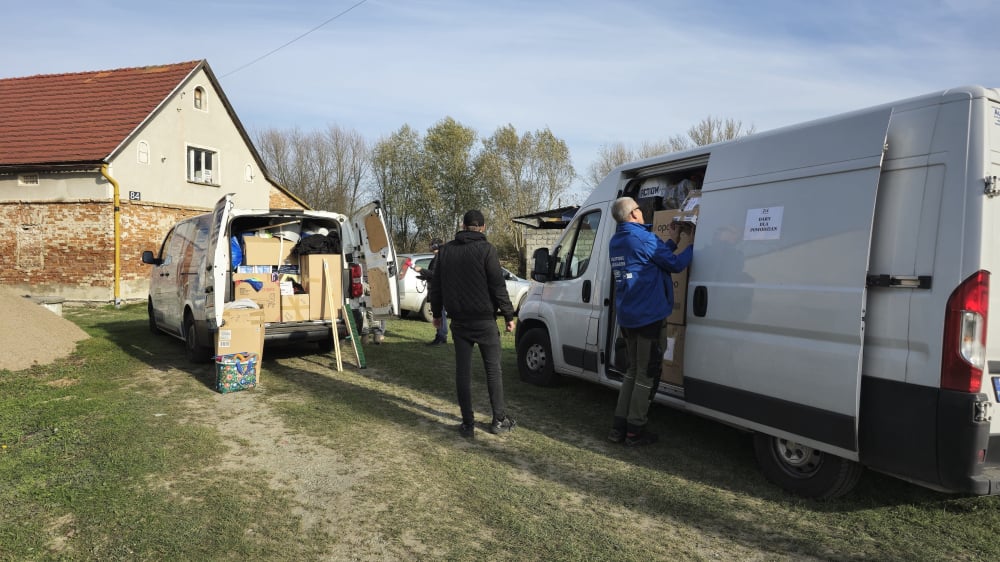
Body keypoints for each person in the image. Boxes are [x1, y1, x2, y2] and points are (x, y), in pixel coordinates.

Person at [608, 197, 693, 446]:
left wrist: (673, 240)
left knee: (633, 371)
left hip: (629, 316)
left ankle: (619, 426)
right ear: (633, 214)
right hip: (648, 317)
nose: (642, 212)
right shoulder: (643, 238)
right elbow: (674, 264)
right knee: (646, 374)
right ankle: (635, 430)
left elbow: (651, 259)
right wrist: (692, 244)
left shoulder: (618, 240)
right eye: (639, 208)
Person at [430, 210, 517, 438]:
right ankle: (498, 420)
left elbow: (436, 285)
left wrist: (437, 313)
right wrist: (508, 315)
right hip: (484, 320)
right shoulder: (487, 250)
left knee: (463, 372)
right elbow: (498, 286)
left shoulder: (446, 250)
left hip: (459, 321)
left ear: (463, 225)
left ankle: (467, 423)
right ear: (483, 227)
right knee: (493, 370)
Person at [413, 238, 448, 345]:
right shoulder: (439, 257)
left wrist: (421, 270)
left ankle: (441, 336)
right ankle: (441, 335)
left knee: (440, 313)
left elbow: (434, 274)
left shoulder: (439, 258)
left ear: (435, 246)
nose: (429, 246)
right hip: (437, 288)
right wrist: (423, 276)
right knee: (440, 313)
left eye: (430, 245)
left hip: (438, 290)